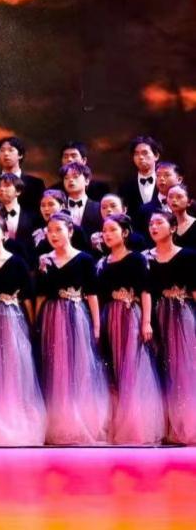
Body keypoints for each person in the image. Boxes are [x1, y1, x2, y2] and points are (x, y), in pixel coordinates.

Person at [34, 213, 109, 445]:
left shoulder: (84, 259)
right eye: (50, 231)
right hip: (52, 317)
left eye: (58, 229)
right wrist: (36, 322)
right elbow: (41, 295)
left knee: (78, 368)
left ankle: (80, 423)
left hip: (77, 316)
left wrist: (96, 325)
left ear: (70, 231)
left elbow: (92, 294)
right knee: (56, 369)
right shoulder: (44, 260)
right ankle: (59, 425)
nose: (53, 234)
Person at [0, 213, 46, 445]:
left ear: (4, 234)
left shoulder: (17, 262)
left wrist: (31, 326)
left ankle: (16, 423)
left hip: (12, 320)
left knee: (14, 370)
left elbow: (28, 298)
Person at [93, 215, 164, 445]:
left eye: (113, 230)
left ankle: (136, 426)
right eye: (104, 231)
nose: (107, 234)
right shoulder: (102, 263)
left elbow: (145, 290)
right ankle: (116, 424)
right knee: (113, 368)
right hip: (110, 316)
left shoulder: (136, 259)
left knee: (132, 367)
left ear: (124, 233)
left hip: (130, 315)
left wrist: (146, 321)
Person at [144, 211, 196, 444]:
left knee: (184, 368)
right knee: (160, 368)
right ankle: (164, 426)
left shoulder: (188, 256)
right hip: (158, 314)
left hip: (182, 314)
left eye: (159, 223)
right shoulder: (146, 258)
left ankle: (187, 425)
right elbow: (146, 291)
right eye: (151, 224)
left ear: (173, 228)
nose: (153, 227)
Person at [0, 136, 46, 213]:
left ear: (20, 155)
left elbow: (40, 211)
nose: (6, 154)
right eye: (2, 150)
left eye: (11, 150)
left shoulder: (35, 184)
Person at [119, 136, 162, 220]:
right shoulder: (125, 186)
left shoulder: (165, 183)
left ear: (156, 156)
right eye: (136, 154)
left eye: (145, 153)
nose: (140, 157)